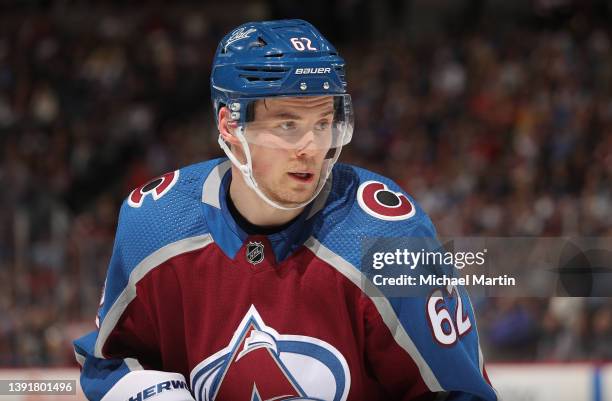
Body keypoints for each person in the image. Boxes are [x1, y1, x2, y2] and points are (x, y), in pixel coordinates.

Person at [73, 19, 498, 401]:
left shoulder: (388, 237)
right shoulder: (154, 224)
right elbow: (108, 363)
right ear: (229, 126)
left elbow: (460, 394)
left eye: (322, 123)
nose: (311, 148)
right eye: (287, 125)